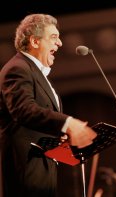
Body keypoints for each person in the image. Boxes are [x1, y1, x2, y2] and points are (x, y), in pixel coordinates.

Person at [0, 14, 97, 197]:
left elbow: (38, 123)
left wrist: (59, 136)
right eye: (53, 37)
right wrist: (68, 123)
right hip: (25, 174)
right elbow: (23, 110)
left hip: (43, 172)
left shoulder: (35, 72)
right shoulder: (18, 68)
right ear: (35, 41)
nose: (59, 43)